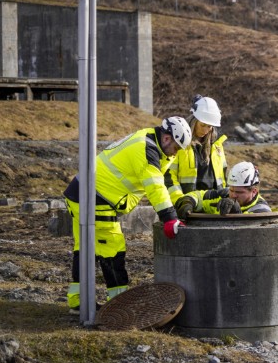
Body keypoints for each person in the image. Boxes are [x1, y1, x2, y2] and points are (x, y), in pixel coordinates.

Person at [63, 116, 192, 312]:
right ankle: (118, 304)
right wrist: (170, 218)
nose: (176, 153)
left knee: (86, 248)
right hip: (96, 198)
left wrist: (181, 203)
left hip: (83, 193)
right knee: (112, 248)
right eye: (176, 148)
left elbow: (164, 180)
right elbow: (155, 187)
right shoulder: (147, 150)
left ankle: (78, 300)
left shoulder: (154, 144)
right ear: (167, 139)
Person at [165, 95, 227, 204]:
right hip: (187, 205)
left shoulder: (217, 145)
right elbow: (169, 178)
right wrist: (181, 202)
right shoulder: (179, 142)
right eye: (202, 125)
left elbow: (223, 177)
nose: (206, 130)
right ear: (194, 121)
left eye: (210, 126)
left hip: (214, 205)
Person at [174, 161, 271, 218]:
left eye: (239, 192)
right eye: (231, 190)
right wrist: (187, 202)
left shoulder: (262, 210)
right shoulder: (224, 194)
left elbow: (246, 235)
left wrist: (235, 214)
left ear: (254, 191)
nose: (233, 195)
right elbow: (198, 196)